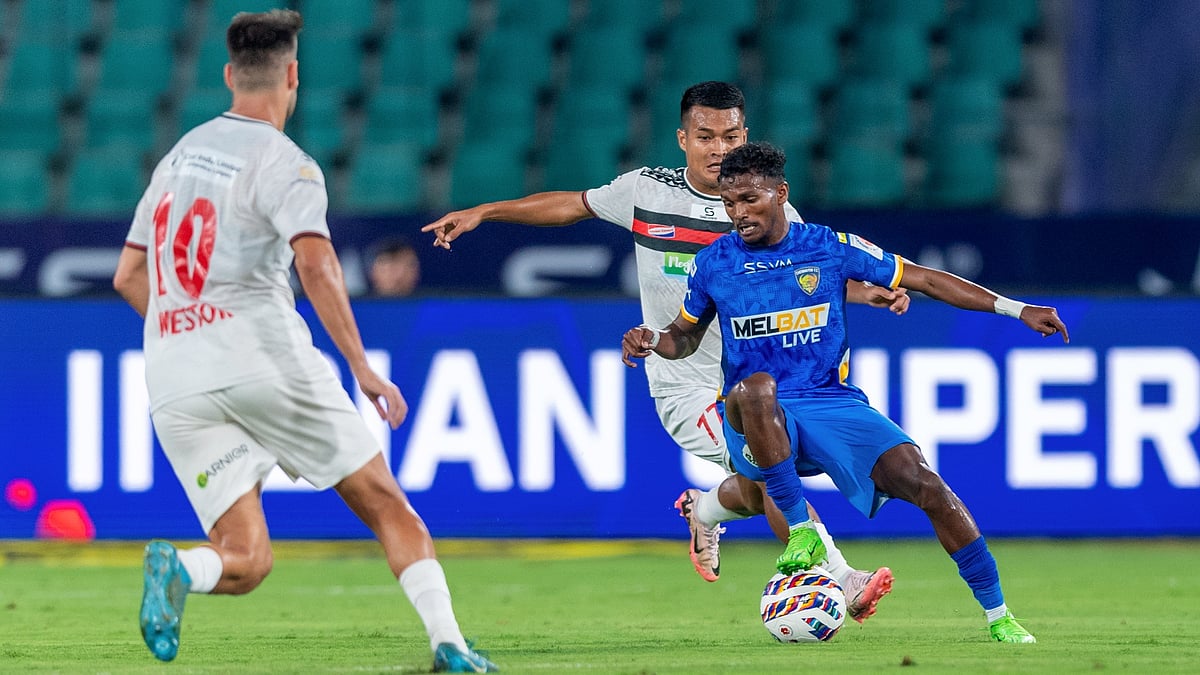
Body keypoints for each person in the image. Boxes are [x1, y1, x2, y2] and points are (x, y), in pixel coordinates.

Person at [423, 81, 904, 622]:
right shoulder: (646, 192)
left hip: (755, 377)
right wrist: (486, 211)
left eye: (730, 135)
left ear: (745, 136)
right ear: (682, 139)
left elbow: (815, 277)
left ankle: (704, 508)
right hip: (685, 382)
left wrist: (869, 291)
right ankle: (841, 577)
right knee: (777, 471)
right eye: (705, 136)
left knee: (756, 480)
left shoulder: (768, 211)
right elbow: (570, 205)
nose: (718, 148)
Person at [111, 11, 496, 672]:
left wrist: (188, 335)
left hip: (174, 381)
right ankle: (450, 646)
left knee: (246, 558)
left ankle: (183, 568)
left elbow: (128, 275)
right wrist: (361, 367)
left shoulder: (175, 159)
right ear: (293, 76)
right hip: (265, 359)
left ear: (230, 76)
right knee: (387, 506)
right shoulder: (285, 162)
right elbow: (316, 265)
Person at [621, 142, 1071, 643]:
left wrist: (1016, 309)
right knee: (758, 389)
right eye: (729, 204)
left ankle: (999, 615)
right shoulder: (713, 264)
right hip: (751, 407)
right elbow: (683, 336)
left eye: (750, 199)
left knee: (927, 485)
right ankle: (803, 533)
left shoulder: (829, 247)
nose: (738, 214)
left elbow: (922, 278)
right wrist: (653, 339)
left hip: (829, 399)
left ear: (780, 193)